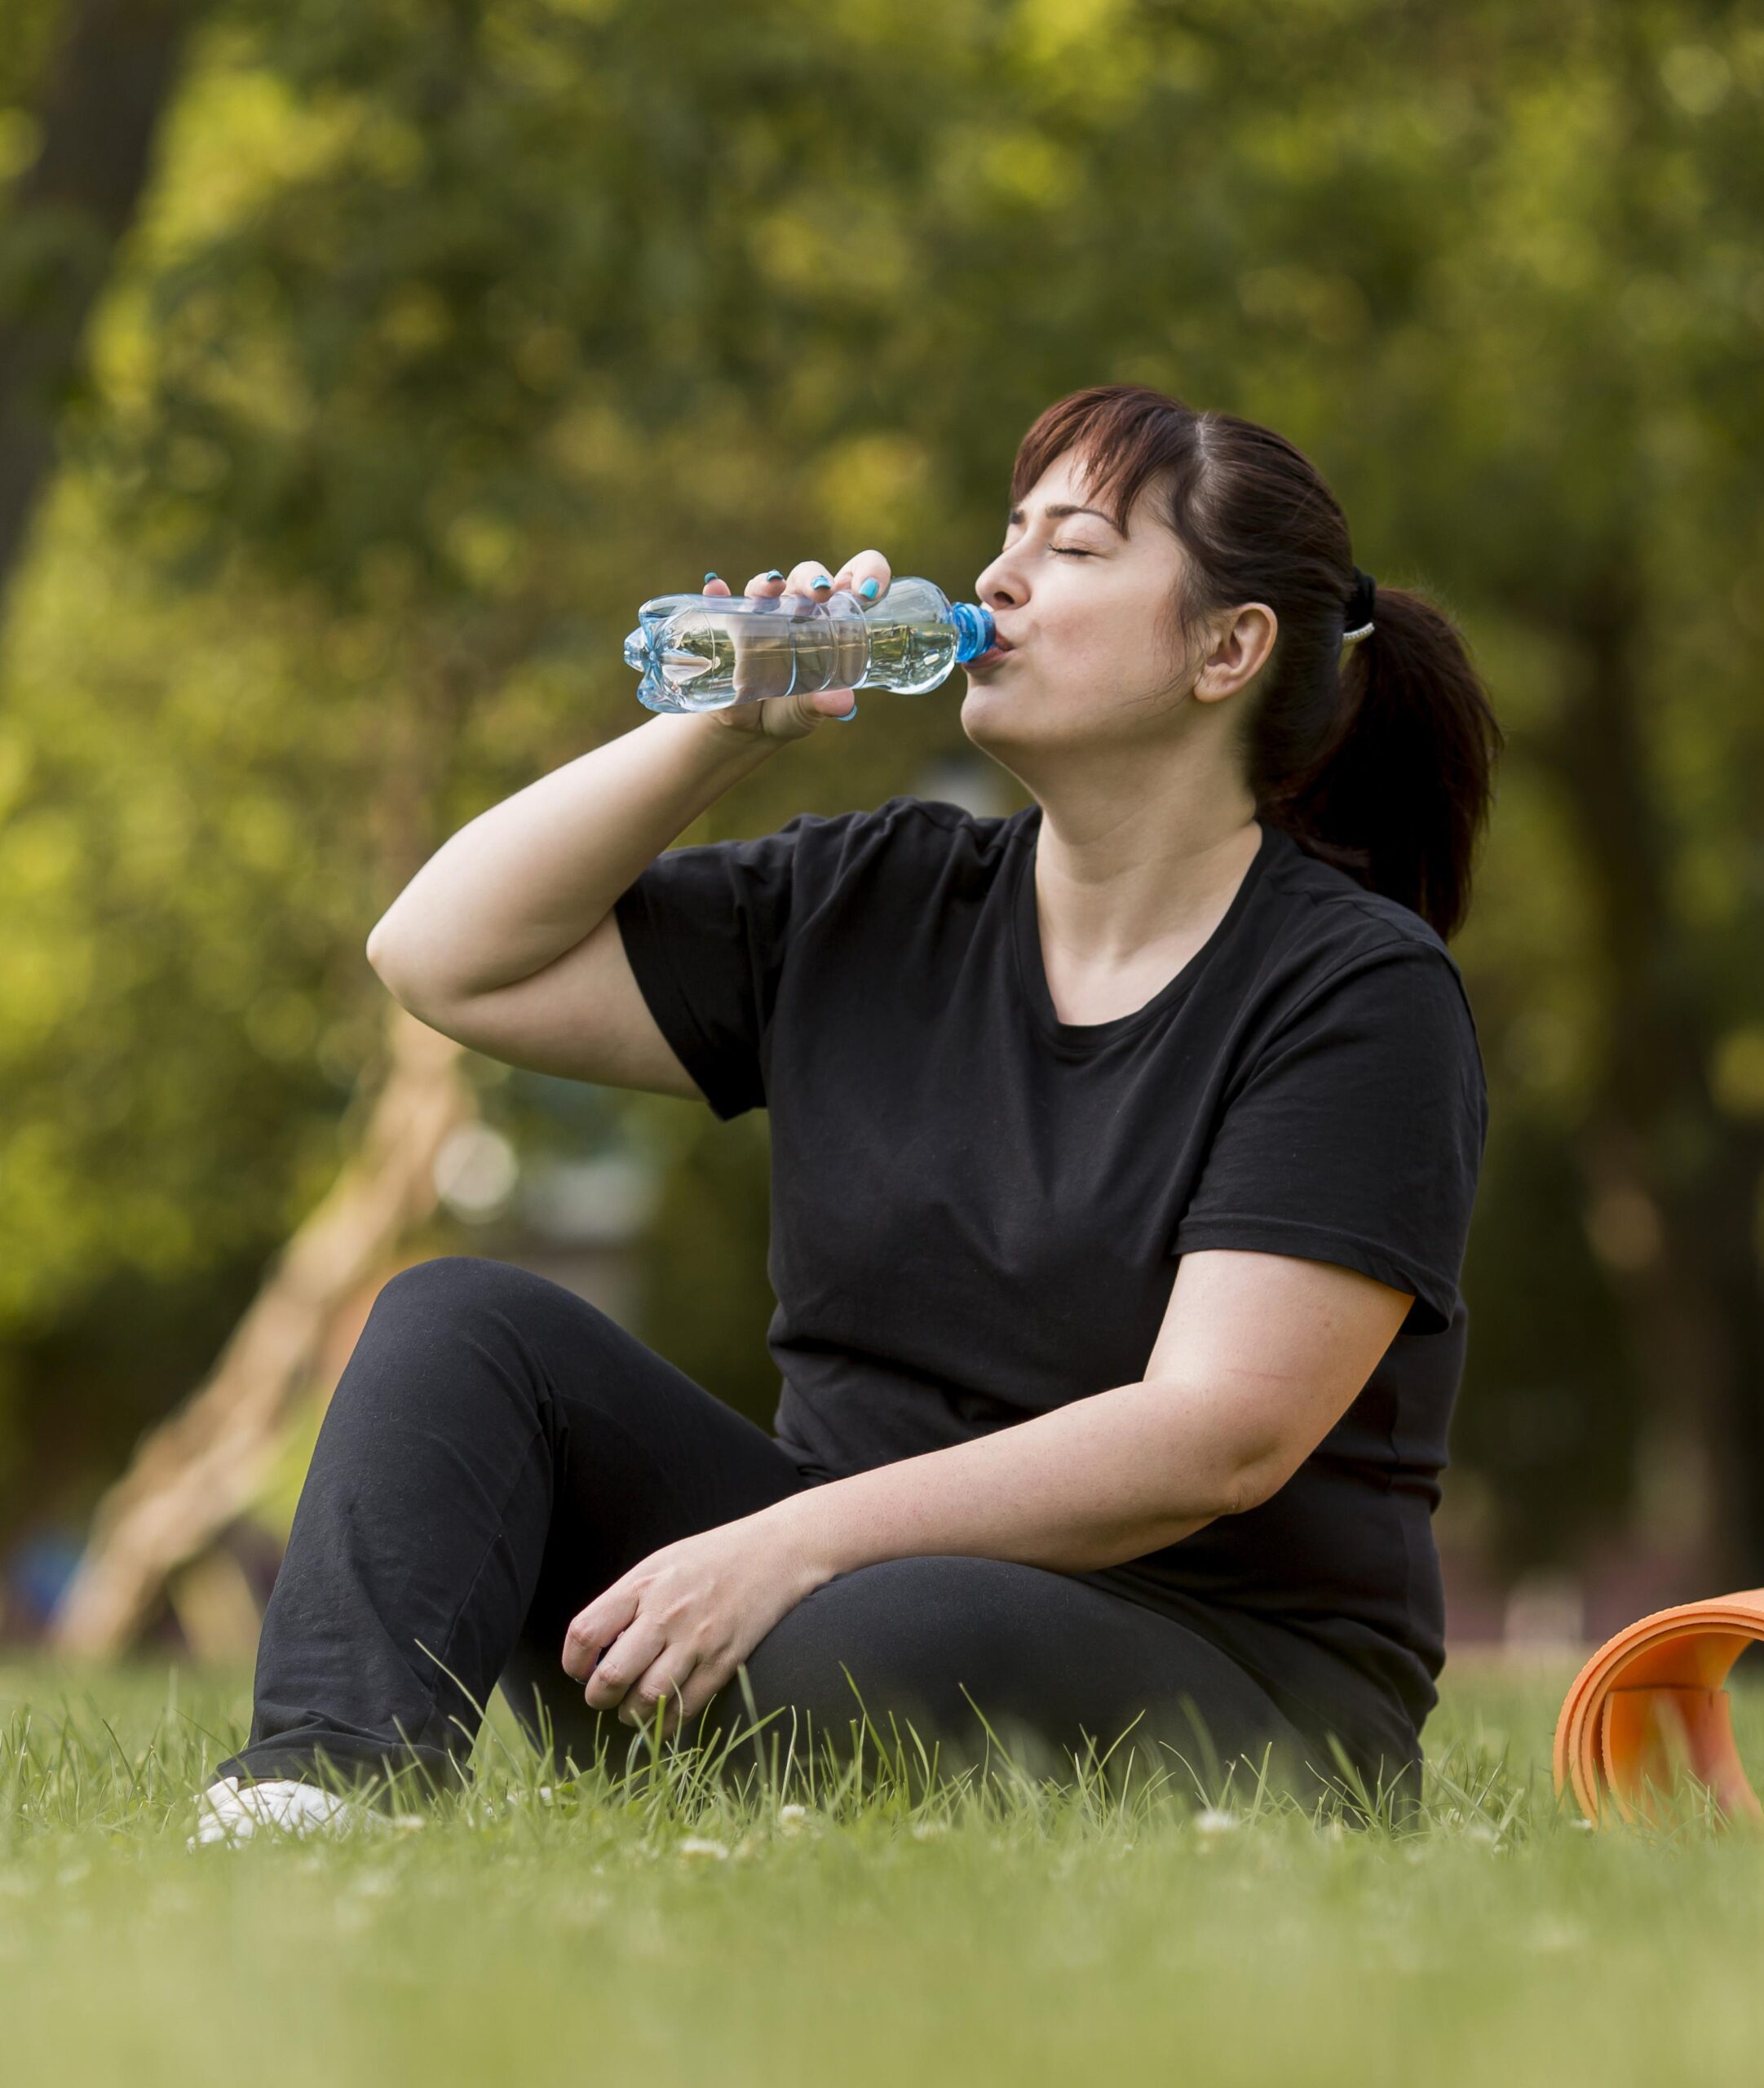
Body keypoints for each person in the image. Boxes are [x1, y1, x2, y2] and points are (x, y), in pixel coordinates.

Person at [193, 383, 1501, 1844]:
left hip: (1219, 1679)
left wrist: (788, 1546)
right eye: (1009, 535)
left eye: (1073, 549)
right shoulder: (878, 896)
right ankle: (321, 1794)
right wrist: (718, 733)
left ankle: (767, 1731)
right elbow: (441, 957)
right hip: (810, 1600)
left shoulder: (1355, 991)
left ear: (1227, 648)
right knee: (459, 1324)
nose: (998, 576)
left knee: (873, 1643)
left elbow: (1219, 1437)